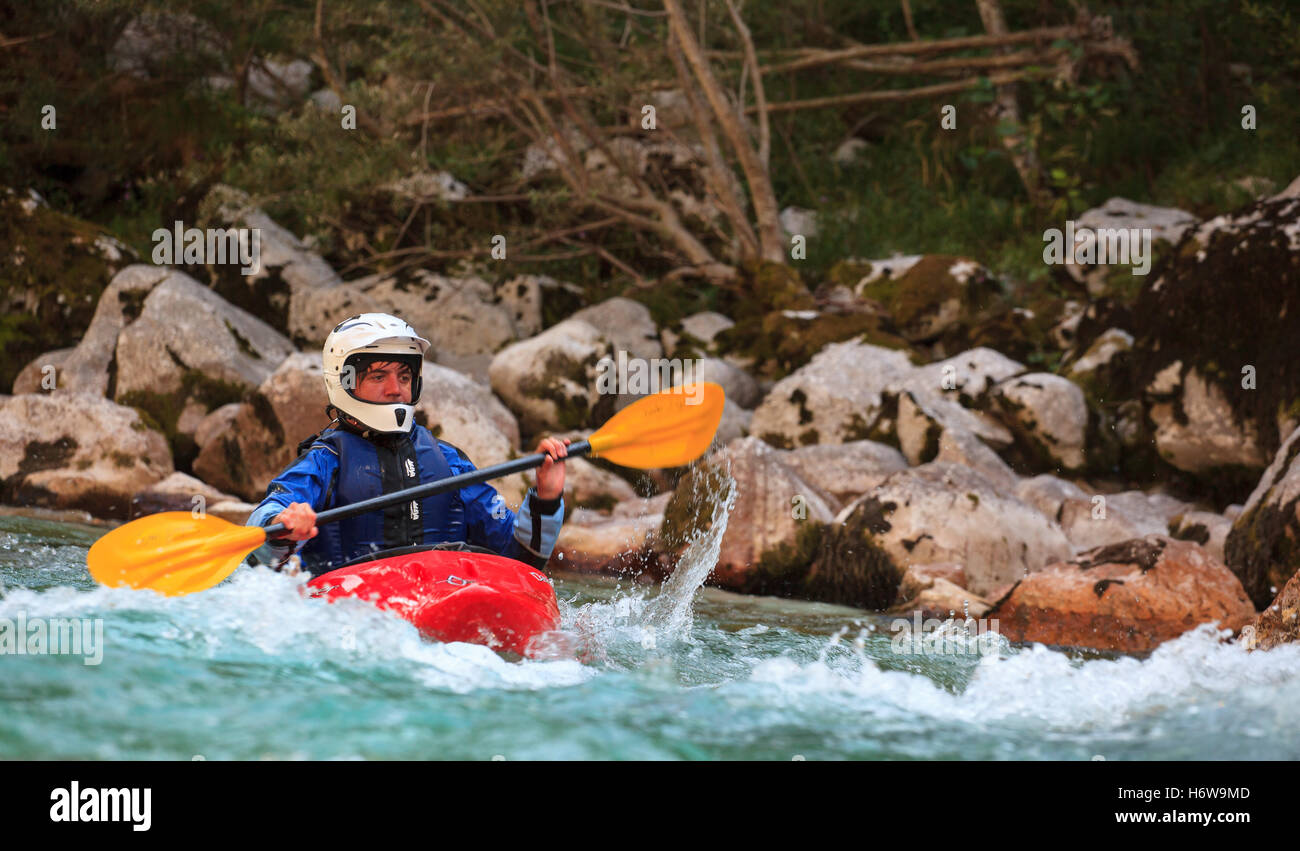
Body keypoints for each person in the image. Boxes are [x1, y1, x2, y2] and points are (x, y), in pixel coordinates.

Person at [245, 313, 568, 576]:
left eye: (403, 376)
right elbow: (262, 536)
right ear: (343, 382)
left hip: (445, 602)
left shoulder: (448, 461)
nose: (395, 389)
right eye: (377, 376)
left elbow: (521, 559)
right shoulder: (325, 462)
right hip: (354, 616)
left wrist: (546, 499)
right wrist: (283, 524)